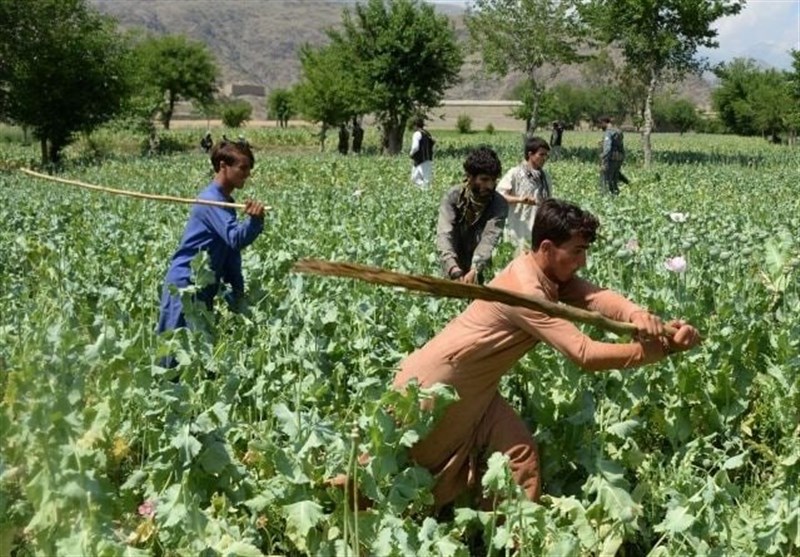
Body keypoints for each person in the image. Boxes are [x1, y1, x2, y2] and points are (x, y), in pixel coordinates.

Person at [395, 198, 701, 510]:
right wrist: (654, 352)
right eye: (577, 251)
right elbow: (583, 353)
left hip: (477, 388)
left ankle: (512, 532)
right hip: (440, 386)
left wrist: (637, 315)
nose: (583, 262)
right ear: (547, 248)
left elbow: (594, 297)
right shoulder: (526, 293)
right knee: (398, 477)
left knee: (519, 457)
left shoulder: (545, 272)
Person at [156, 140, 265, 365]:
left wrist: (237, 291)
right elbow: (235, 238)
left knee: (197, 356)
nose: (248, 174)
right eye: (243, 168)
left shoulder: (225, 202)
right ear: (223, 166)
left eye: (250, 168)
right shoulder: (211, 200)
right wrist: (255, 222)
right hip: (185, 286)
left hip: (203, 286)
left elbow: (230, 253)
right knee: (172, 357)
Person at [436, 146, 508, 284]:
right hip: (452, 264)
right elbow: (445, 234)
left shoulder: (499, 204)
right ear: (469, 177)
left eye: (493, 180)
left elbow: (489, 238)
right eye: (484, 179)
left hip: (481, 265)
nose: (490, 186)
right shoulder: (453, 197)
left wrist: (475, 269)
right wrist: (452, 268)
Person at [497, 136, 553, 253]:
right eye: (541, 155)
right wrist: (520, 199)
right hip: (518, 227)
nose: (545, 158)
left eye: (546, 155)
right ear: (530, 154)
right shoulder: (515, 173)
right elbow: (499, 196)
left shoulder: (545, 177)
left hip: (537, 227)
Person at [598, 116, 625, 195]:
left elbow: (607, 148)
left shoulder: (609, 132)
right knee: (614, 181)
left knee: (605, 181)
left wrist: (603, 159)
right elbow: (621, 147)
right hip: (618, 158)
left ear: (604, 123)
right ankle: (616, 196)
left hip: (610, 159)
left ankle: (604, 196)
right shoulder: (618, 131)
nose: (600, 126)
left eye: (600, 124)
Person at [409, 118, 435, 188]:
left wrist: (411, 153)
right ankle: (424, 190)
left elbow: (415, 147)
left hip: (420, 159)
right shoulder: (427, 133)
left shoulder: (417, 134)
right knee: (415, 179)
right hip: (427, 159)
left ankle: (426, 190)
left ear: (415, 125)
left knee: (424, 180)